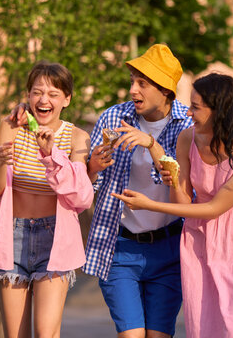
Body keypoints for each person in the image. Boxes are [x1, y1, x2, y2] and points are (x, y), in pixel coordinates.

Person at [113, 73, 233, 338]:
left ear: (219, 110)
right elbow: (183, 201)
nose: (189, 113)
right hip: (200, 242)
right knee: (205, 328)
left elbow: (214, 208)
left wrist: (150, 205)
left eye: (196, 108)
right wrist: (172, 178)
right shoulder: (187, 139)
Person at [83, 44, 193, 338]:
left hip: (169, 249)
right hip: (119, 247)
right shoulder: (111, 119)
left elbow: (181, 185)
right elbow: (87, 186)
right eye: (132, 81)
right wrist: (91, 167)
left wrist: (151, 144)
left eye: (142, 84)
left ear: (166, 90)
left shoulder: (189, 125)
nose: (133, 90)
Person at [0, 61, 93, 338]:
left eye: (53, 94)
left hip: (53, 238)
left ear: (66, 99)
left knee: (46, 333)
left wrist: (50, 154)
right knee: (16, 334)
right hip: (13, 235)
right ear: (28, 95)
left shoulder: (76, 137)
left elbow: (81, 196)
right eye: (37, 92)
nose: (44, 100)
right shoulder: (10, 128)